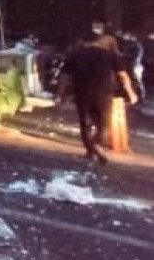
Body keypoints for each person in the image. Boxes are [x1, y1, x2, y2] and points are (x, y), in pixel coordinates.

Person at [58, 30, 138, 165]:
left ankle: (90, 151)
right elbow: (122, 75)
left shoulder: (75, 54)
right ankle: (97, 144)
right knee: (103, 124)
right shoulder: (109, 55)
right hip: (103, 93)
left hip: (82, 92)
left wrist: (60, 94)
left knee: (85, 123)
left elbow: (64, 76)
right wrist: (130, 92)